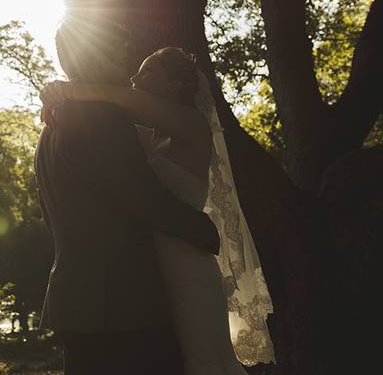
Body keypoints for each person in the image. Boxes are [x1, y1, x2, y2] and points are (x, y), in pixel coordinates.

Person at [41, 47, 276, 374]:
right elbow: (102, 129)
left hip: (187, 265)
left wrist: (65, 90)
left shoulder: (191, 124)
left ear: (175, 85)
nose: (136, 77)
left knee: (202, 360)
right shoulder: (150, 137)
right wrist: (62, 98)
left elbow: (115, 97)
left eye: (148, 70)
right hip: (153, 271)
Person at [35, 17, 221, 375]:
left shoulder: (51, 127)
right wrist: (204, 230)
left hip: (78, 301)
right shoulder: (101, 118)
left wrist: (63, 91)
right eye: (118, 54)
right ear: (97, 54)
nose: (127, 68)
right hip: (120, 303)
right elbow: (143, 197)